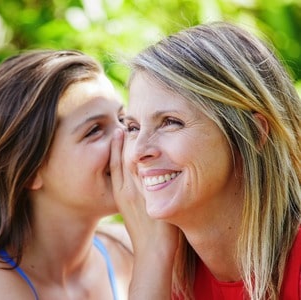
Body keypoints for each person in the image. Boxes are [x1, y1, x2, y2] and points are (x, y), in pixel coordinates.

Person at [0, 49, 175, 300]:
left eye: (124, 120)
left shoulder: (126, 248)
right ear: (29, 170)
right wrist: (152, 261)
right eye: (95, 130)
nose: (128, 140)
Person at [121, 21, 301, 299]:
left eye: (171, 122)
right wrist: (153, 257)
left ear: (252, 133)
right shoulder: (166, 273)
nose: (138, 151)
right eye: (133, 128)